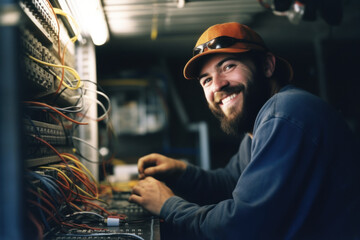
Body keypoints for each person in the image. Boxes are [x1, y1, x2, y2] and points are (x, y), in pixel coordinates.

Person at [128, 22, 360, 239]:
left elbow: (240, 226)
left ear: (267, 66)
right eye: (206, 80)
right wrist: (181, 172)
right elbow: (231, 184)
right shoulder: (258, 126)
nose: (218, 85)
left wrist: (169, 205)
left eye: (228, 66)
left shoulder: (284, 113)